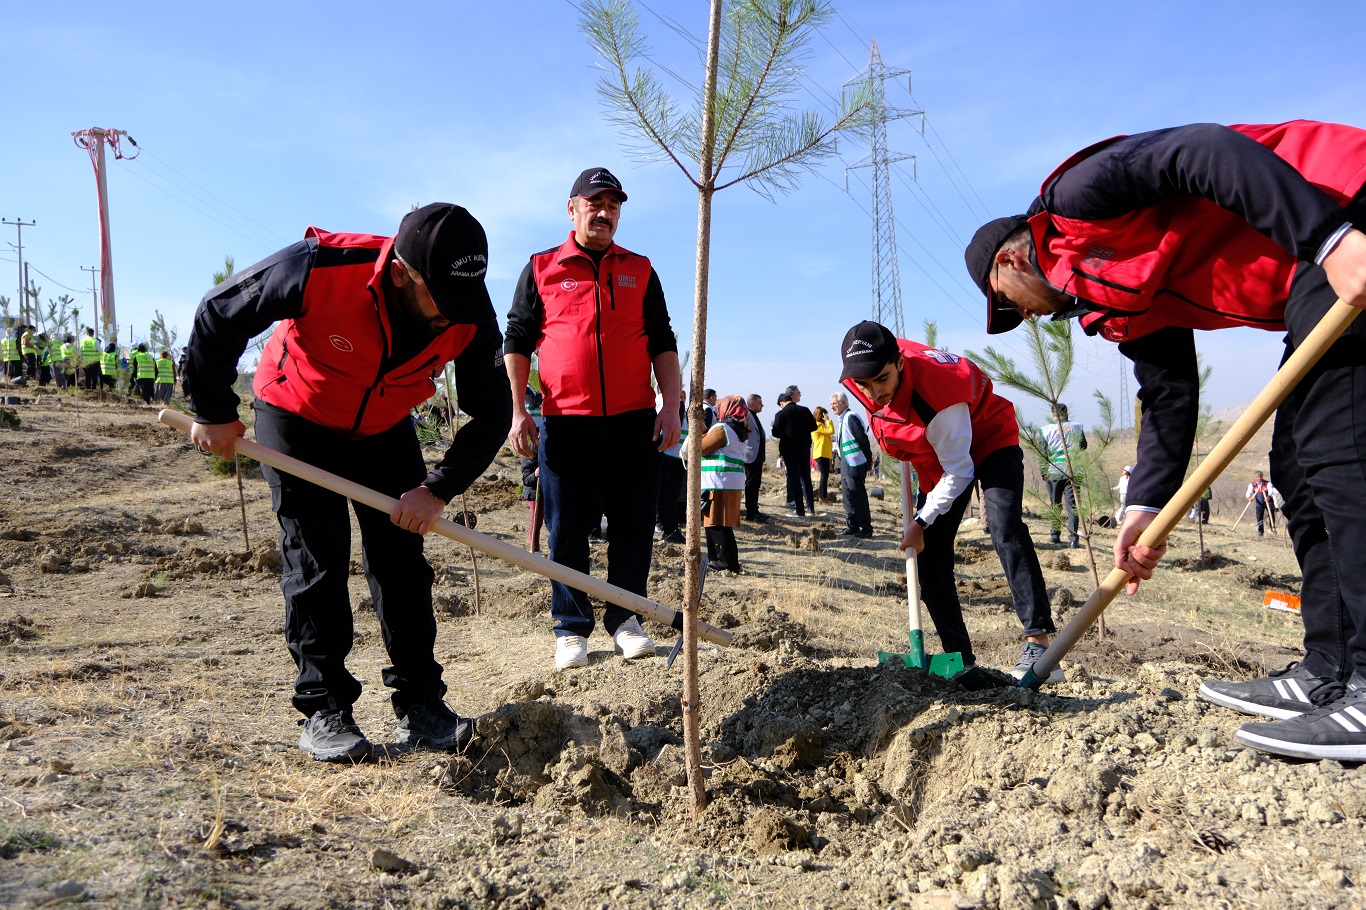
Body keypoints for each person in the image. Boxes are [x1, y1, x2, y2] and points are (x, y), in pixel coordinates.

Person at [965, 119, 1366, 759]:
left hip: (1344, 204)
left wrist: (1332, 238)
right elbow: (1170, 393)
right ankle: (1329, 668)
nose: (1028, 319)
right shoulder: (1112, 296)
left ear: (1010, 258)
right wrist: (1142, 508)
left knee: (1337, 453)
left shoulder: (1075, 200)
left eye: (1008, 302)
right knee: (1296, 467)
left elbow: (1201, 150)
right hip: (1314, 272)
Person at [184, 202, 510, 762]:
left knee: (402, 561)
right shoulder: (323, 267)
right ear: (404, 272)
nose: (452, 315)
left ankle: (422, 704)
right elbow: (219, 311)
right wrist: (213, 409)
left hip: (383, 424)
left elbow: (493, 414)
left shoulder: (469, 311)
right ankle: (325, 708)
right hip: (297, 411)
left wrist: (437, 489)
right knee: (317, 558)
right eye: (442, 298)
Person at [504, 166, 681, 671]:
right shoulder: (541, 267)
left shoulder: (640, 269)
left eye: (613, 205)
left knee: (632, 522)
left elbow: (663, 341)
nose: (604, 213)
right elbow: (516, 340)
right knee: (567, 527)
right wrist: (519, 410)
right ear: (573, 208)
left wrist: (670, 406)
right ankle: (571, 627)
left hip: (634, 420)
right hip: (566, 420)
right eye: (594, 203)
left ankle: (626, 619)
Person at [840, 320, 1063, 682]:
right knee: (929, 559)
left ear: (899, 363)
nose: (873, 392)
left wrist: (921, 521)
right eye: (863, 384)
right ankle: (961, 661)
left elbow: (960, 472)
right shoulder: (868, 374)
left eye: (881, 379)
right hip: (937, 458)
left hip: (988, 437)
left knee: (1005, 526)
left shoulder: (938, 397)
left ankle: (1039, 644)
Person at [695, 395, 750, 573]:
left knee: (716, 522)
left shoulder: (722, 428)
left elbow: (701, 448)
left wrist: (702, 432)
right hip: (730, 481)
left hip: (718, 482)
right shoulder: (739, 428)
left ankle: (723, 561)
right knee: (722, 523)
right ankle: (724, 561)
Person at [1040, 403, 1088, 548]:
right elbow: (1083, 446)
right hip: (1072, 471)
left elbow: (1043, 452)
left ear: (1053, 414)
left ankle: (1055, 535)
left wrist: (1043, 472)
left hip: (1053, 471)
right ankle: (1074, 539)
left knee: (1055, 504)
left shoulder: (1045, 430)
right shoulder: (1077, 426)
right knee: (1072, 506)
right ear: (1066, 413)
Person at [830, 390, 873, 539]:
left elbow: (862, 439)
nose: (832, 407)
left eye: (834, 404)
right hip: (846, 463)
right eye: (831, 404)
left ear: (844, 403)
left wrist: (868, 460)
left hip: (855, 462)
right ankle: (853, 525)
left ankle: (866, 528)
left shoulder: (851, 417)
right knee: (848, 496)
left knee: (858, 496)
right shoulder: (842, 419)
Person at [771, 385, 817, 518]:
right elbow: (813, 427)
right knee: (806, 478)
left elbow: (776, 432)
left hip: (789, 450)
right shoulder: (805, 410)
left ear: (782, 403)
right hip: (804, 448)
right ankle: (811, 508)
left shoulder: (780, 414)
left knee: (794, 479)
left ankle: (799, 510)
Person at [655, 390, 687, 544]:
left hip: (664, 453)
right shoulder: (674, 402)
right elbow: (673, 429)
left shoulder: (658, 400)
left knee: (663, 494)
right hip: (673, 455)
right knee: (670, 495)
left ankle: (663, 525)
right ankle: (671, 530)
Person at [520, 386, 547, 553]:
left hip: (543, 492)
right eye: (536, 435)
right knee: (536, 519)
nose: (539, 437)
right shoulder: (529, 456)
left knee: (541, 519)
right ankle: (533, 549)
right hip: (533, 493)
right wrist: (535, 474)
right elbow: (526, 479)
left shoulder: (543, 453)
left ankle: (536, 547)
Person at [742, 393, 769, 523]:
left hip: (758, 456)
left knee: (756, 484)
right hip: (750, 456)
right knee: (751, 484)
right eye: (759, 402)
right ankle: (751, 512)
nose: (762, 405)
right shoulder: (746, 415)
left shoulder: (754, 416)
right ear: (751, 404)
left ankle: (755, 510)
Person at [811, 405, 834, 506]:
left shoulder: (818, 425)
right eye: (824, 415)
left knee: (824, 475)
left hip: (822, 453)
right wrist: (828, 421)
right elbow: (831, 431)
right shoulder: (819, 425)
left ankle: (822, 496)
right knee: (824, 476)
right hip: (821, 453)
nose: (826, 416)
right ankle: (822, 497)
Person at [1245, 470, 1280, 537]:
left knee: (1271, 514)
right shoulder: (1252, 485)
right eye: (1257, 477)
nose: (1259, 478)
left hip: (1268, 501)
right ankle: (1260, 531)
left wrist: (1268, 497)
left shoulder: (1268, 483)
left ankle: (1272, 528)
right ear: (1255, 477)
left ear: (1262, 477)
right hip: (1259, 502)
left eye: (1260, 477)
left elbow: (1271, 491)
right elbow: (1248, 492)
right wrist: (1249, 497)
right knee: (1259, 516)